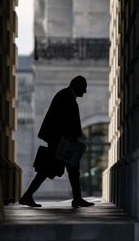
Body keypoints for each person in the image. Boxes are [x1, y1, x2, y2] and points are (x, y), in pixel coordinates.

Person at [19, 76, 94, 208]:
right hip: (61, 143)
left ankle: (76, 198)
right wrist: (68, 138)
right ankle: (27, 196)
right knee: (48, 170)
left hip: (63, 142)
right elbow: (63, 120)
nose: (85, 91)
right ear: (77, 85)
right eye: (84, 87)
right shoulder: (66, 96)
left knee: (70, 170)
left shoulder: (66, 95)